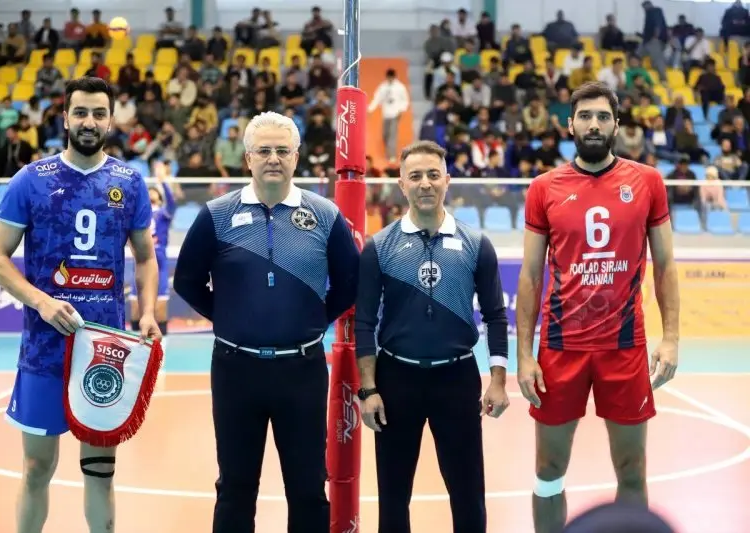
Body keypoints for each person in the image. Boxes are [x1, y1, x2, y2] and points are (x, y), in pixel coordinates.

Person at [0, 77, 162, 533]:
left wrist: (146, 312)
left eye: (99, 113)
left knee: (100, 471)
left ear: (111, 120)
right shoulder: (31, 180)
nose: (89, 121)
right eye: (80, 112)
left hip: (103, 352)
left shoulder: (129, 182)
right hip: (44, 350)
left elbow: (145, 257)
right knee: (36, 468)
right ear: (65, 118)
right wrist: (42, 302)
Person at [172, 111, 360, 533]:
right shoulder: (216, 214)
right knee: (235, 488)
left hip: (302, 371)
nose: (273, 158)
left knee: (308, 488)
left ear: (296, 157)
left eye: (282, 150)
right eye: (263, 151)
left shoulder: (324, 214)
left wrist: (314, 320)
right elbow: (186, 280)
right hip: (235, 371)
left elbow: (350, 283)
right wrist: (229, 318)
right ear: (248, 158)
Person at [515, 81, 680, 533]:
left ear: (616, 125)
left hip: (623, 347)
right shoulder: (544, 188)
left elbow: (666, 265)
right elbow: (530, 276)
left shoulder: (647, 182)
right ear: (570, 124)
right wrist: (524, 355)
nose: (594, 124)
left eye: (603, 117)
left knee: (632, 469)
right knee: (549, 468)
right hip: (560, 347)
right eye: (585, 116)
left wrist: (670, 338)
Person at [354, 140, 510, 533]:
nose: (425, 183)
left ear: (447, 180)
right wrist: (369, 389)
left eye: (433, 175)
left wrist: (497, 381)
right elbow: (364, 323)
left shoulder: (476, 244)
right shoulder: (379, 247)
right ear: (402, 185)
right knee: (393, 497)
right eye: (416, 176)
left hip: (456, 380)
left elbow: (495, 316)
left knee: (468, 493)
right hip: (396, 381)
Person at [129, 160, 181, 346]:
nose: (151, 195)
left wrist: (163, 181)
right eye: (148, 193)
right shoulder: (140, 213)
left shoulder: (163, 213)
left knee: (160, 309)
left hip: (160, 262)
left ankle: (161, 349)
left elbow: (172, 203)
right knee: (135, 307)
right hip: (141, 261)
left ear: (158, 199)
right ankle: (135, 345)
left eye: (154, 194)